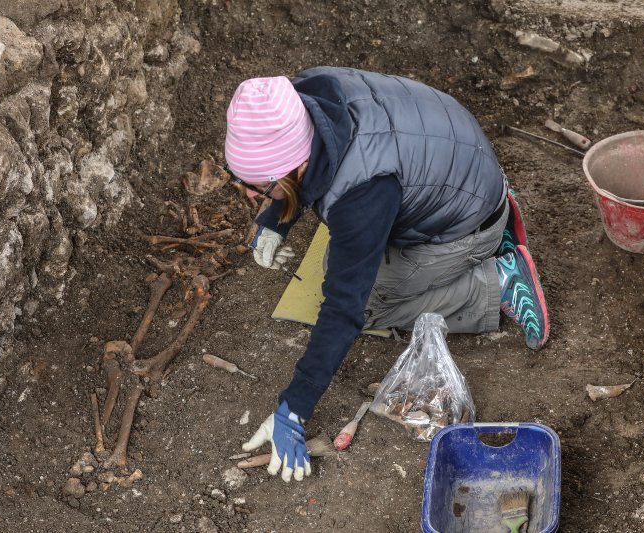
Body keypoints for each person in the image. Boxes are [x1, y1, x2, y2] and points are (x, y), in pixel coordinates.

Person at [224, 67, 549, 483]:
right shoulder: (305, 94)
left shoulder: (362, 192)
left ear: (295, 165)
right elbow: (306, 168)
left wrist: (295, 406)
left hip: (467, 219)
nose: (250, 195)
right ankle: (487, 217)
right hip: (460, 169)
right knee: (339, 259)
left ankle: (495, 279)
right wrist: (276, 217)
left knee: (370, 303)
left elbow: (344, 309)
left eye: (260, 188)